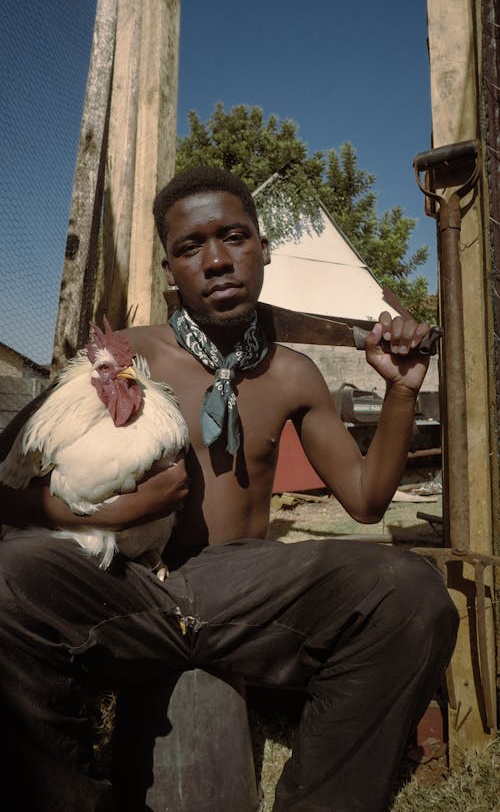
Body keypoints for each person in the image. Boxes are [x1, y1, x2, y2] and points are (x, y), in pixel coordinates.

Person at [0, 166, 458, 812]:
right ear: (169, 269)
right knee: (10, 573)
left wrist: (402, 390)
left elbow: (366, 499)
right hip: (129, 587)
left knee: (407, 587)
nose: (216, 260)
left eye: (234, 237)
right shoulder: (122, 356)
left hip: (247, 587)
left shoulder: (293, 372)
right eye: (192, 246)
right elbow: (4, 479)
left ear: (263, 249)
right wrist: (102, 513)